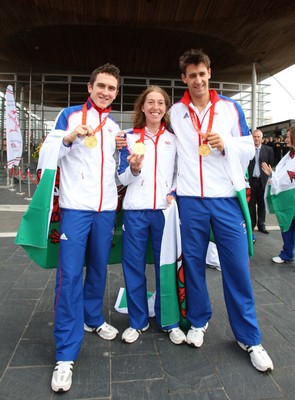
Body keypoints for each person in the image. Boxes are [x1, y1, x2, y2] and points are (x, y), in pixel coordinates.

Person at [169, 48, 273, 372]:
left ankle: (249, 337)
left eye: (202, 73)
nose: (198, 80)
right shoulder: (175, 112)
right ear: (183, 78)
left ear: (209, 74)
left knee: (237, 269)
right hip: (189, 200)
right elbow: (168, 152)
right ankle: (198, 321)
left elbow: (249, 147)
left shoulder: (229, 108)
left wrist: (226, 143)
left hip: (225, 198)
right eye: (191, 75)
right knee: (194, 264)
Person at [39, 64, 122, 393]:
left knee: (99, 269)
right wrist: (69, 139)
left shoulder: (115, 127)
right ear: (90, 87)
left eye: (111, 88)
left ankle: (93, 318)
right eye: (101, 85)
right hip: (75, 209)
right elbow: (46, 155)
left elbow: (118, 171)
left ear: (116, 93)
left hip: (105, 210)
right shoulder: (69, 116)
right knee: (70, 276)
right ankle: (65, 353)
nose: (105, 92)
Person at [117, 85, 186, 345]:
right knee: (133, 267)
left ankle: (169, 320)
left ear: (166, 108)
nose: (155, 107)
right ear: (142, 107)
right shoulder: (128, 137)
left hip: (164, 213)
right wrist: (133, 169)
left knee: (165, 267)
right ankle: (137, 321)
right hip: (135, 212)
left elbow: (182, 172)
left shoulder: (174, 139)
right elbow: (120, 176)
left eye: (160, 103)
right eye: (150, 102)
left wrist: (174, 192)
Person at [262, 126, 295, 264]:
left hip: (291, 197)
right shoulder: (289, 155)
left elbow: (289, 177)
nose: (285, 139)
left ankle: (287, 253)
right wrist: (273, 175)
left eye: (288, 137)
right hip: (288, 200)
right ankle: (287, 253)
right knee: (287, 225)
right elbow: (283, 176)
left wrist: (272, 175)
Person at [248, 129, 274, 234]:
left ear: (262, 139)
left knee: (262, 204)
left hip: (263, 181)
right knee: (251, 204)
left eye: (258, 137)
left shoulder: (268, 150)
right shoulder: (248, 150)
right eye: (254, 136)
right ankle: (252, 224)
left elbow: (271, 166)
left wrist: (270, 178)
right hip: (251, 181)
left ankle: (261, 225)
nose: (256, 139)